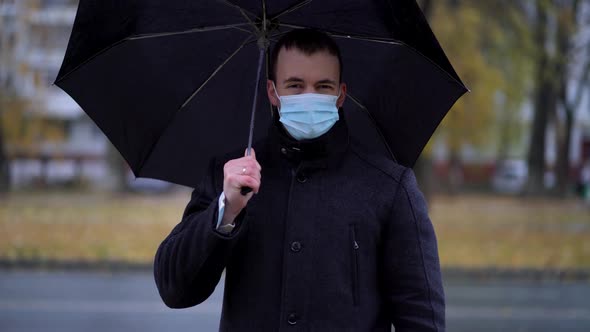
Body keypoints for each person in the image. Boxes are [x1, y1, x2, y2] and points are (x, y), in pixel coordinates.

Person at [154, 29, 445, 331]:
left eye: (323, 86)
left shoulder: (389, 187)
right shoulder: (231, 177)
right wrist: (226, 210)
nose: (309, 97)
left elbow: (421, 315)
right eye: (295, 86)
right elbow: (175, 289)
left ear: (340, 94)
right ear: (272, 92)